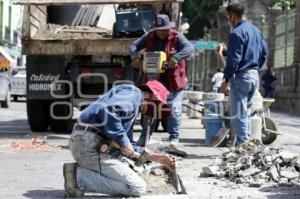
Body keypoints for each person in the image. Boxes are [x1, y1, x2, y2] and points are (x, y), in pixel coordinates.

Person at [63, 80, 176, 198]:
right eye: (158, 106)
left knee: (130, 178)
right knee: (137, 187)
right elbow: (109, 110)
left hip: (88, 141)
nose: (153, 113)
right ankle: (78, 178)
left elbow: (129, 146)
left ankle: (78, 174)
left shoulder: (131, 108)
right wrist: (123, 141)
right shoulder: (134, 93)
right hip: (90, 141)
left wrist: (157, 157)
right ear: (153, 96)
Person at [129, 14, 194, 146]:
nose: (161, 32)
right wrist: (135, 56)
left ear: (169, 28)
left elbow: (189, 48)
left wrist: (175, 58)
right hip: (154, 82)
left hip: (173, 81)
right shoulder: (150, 36)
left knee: (174, 108)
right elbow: (133, 46)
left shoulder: (177, 37)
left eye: (164, 29)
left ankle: (174, 139)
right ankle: (144, 137)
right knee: (149, 109)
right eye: (158, 29)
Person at [220, 3, 268, 147]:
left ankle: (243, 146)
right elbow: (264, 53)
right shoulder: (256, 31)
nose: (229, 21)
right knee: (245, 112)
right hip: (254, 76)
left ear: (233, 16)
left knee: (239, 114)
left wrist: (226, 79)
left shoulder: (236, 33)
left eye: (229, 18)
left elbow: (234, 60)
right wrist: (254, 69)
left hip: (241, 77)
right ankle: (245, 144)